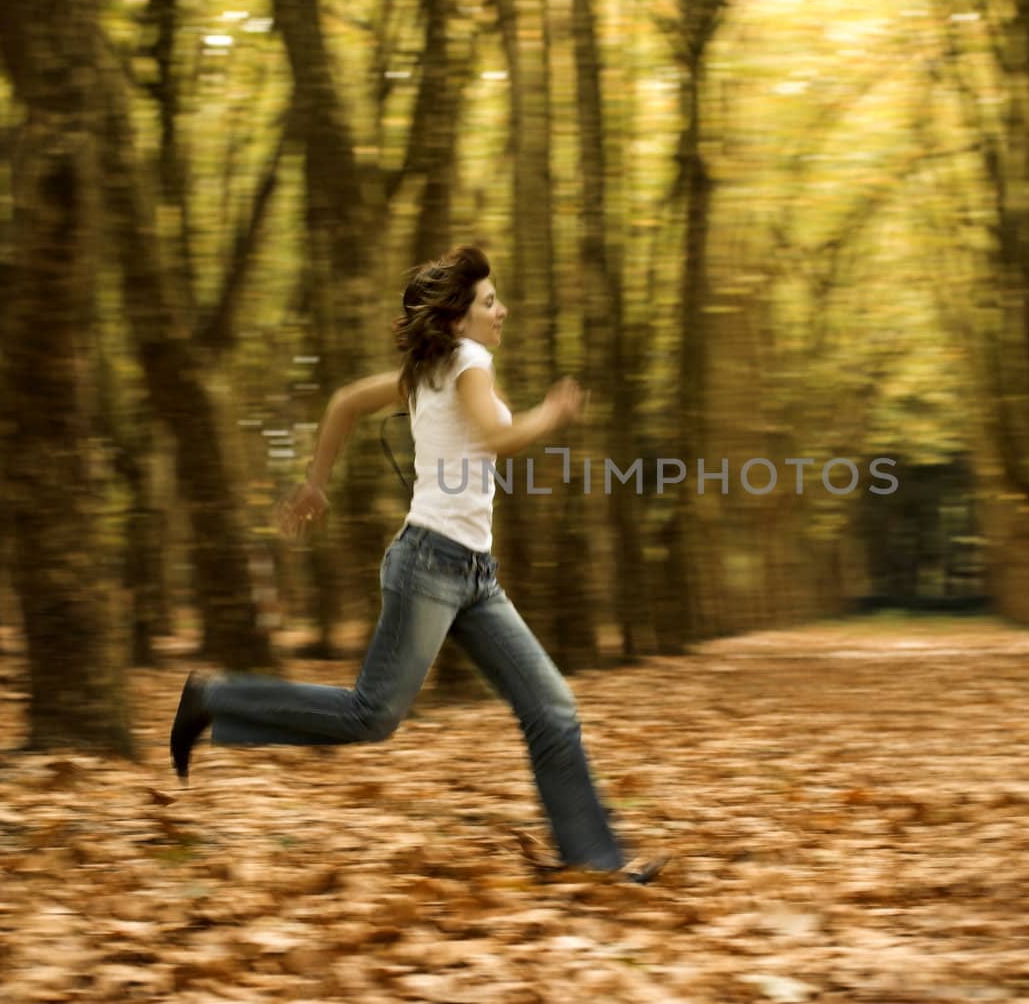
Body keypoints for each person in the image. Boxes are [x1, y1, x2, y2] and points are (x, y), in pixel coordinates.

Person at [168, 244, 662, 883]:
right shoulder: (469, 360)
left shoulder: (427, 370)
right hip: (432, 563)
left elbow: (345, 401)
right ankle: (214, 699)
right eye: (490, 302)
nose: (501, 310)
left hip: (472, 575)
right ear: (460, 319)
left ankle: (595, 863)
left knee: (551, 707)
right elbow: (496, 436)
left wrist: (318, 483)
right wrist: (552, 412)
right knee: (370, 715)